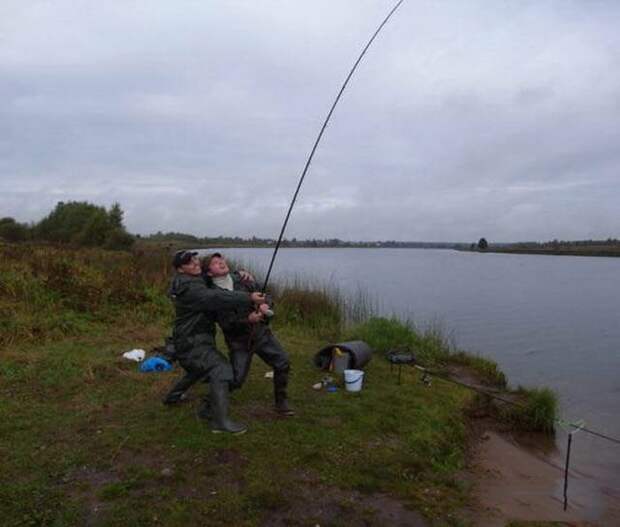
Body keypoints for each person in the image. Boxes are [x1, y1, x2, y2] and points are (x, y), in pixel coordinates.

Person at [165, 249, 267, 434]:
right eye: (189, 262)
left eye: (195, 259)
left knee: (198, 368)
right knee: (220, 369)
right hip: (191, 341)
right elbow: (216, 297)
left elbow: (216, 276)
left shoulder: (193, 279)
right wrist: (248, 297)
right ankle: (220, 422)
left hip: (194, 338)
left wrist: (240, 273)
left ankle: (172, 397)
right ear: (180, 269)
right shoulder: (190, 288)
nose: (195, 263)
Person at [203, 252, 294, 417]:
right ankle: (209, 402)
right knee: (236, 380)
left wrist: (266, 305)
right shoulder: (212, 294)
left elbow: (265, 295)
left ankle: (281, 402)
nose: (221, 262)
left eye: (221, 259)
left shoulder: (242, 279)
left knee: (282, 362)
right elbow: (226, 324)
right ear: (209, 272)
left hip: (261, 334)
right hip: (239, 342)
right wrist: (248, 319)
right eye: (215, 263)